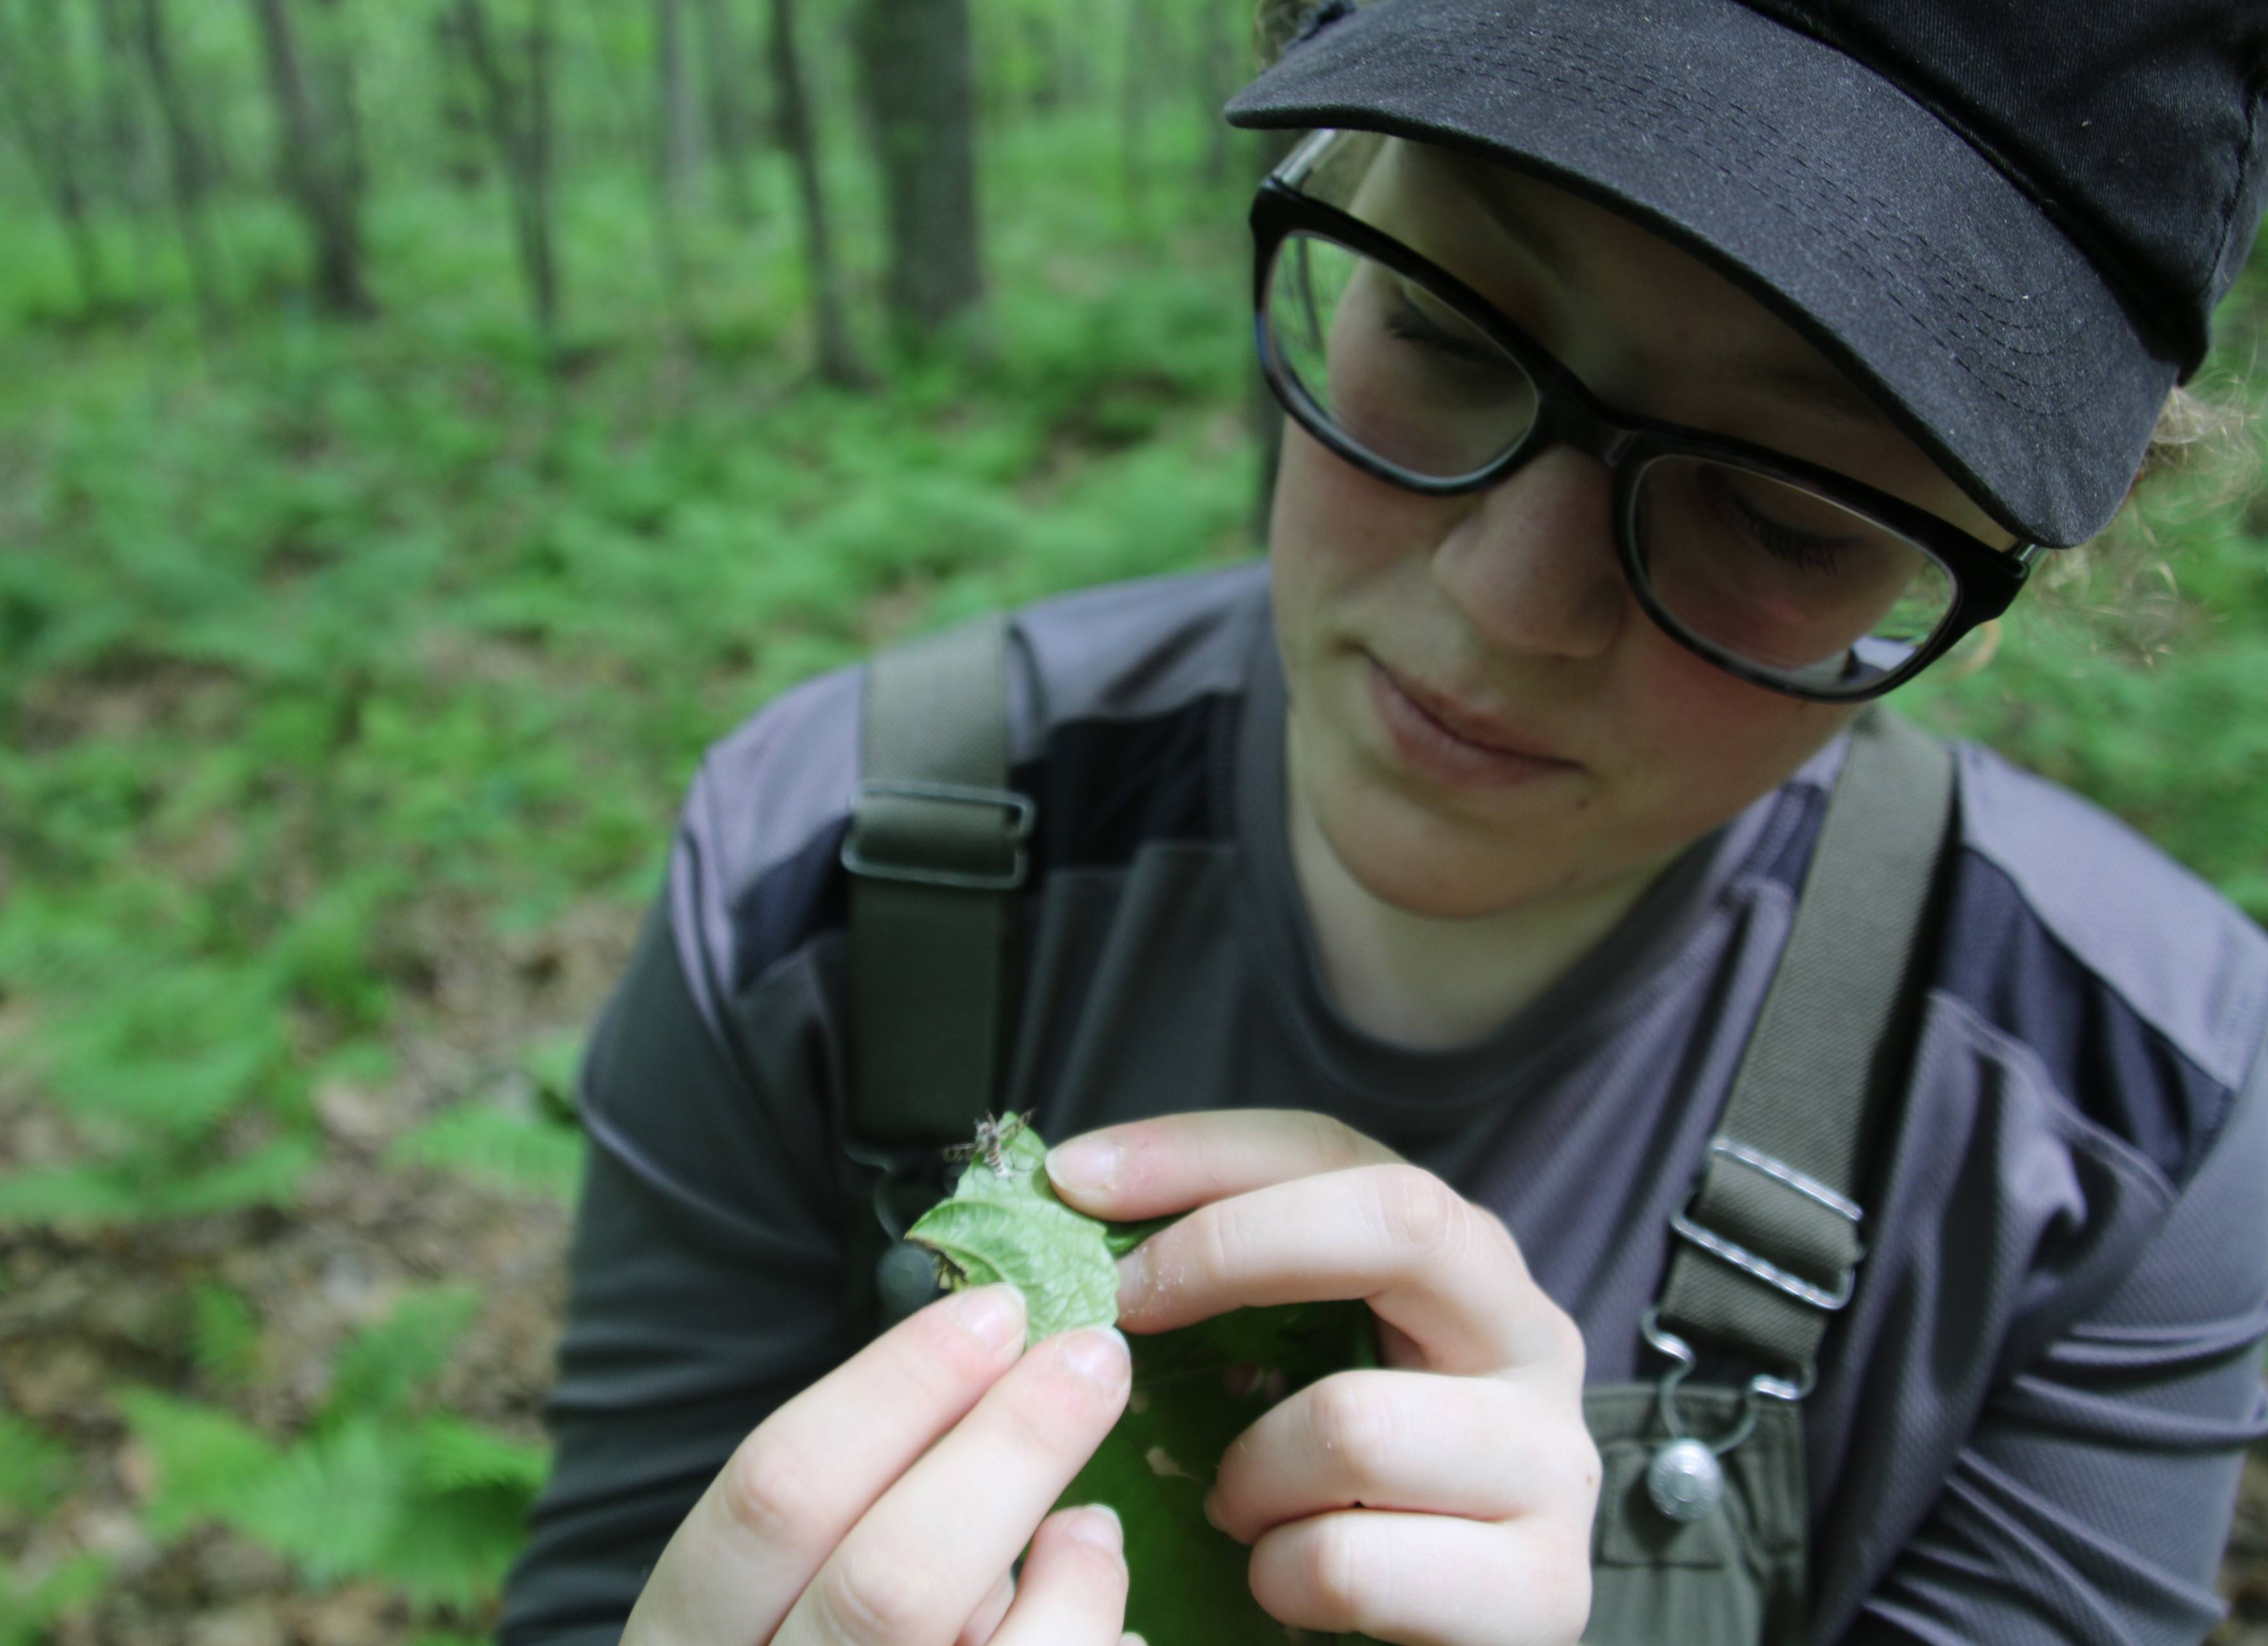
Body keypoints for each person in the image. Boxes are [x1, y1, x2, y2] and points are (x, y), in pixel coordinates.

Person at [496, 1, 2268, 1642]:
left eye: (1785, 513)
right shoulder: (835, 862)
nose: (1508, 600)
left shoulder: (2129, 1107)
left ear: (1991, 579)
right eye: (1442, 325)